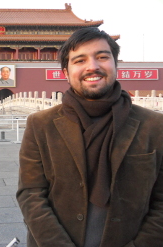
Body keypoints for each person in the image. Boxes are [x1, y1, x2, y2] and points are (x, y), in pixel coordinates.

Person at [17, 27, 163, 247]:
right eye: (79, 60)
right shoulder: (41, 125)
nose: (92, 67)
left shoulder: (153, 126)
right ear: (65, 72)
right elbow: (31, 194)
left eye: (102, 57)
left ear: (116, 64)